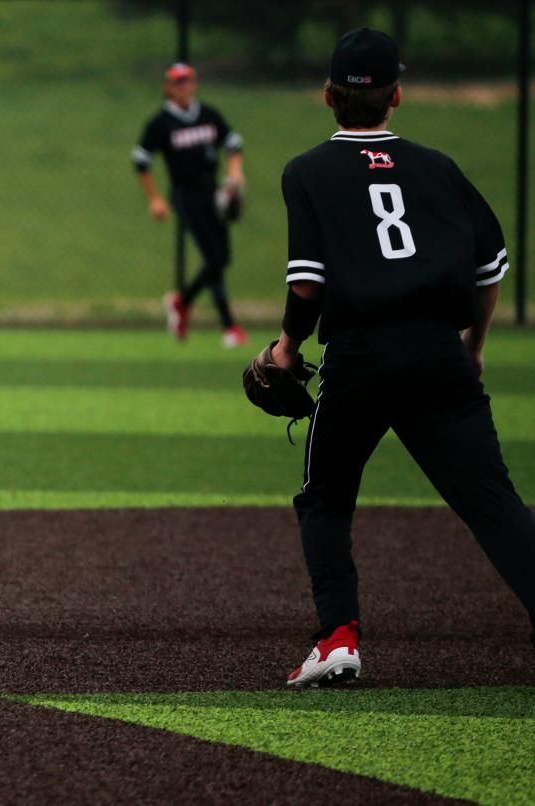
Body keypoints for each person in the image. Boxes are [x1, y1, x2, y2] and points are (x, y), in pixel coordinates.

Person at [269, 28, 535, 687]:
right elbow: (489, 265)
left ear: (327, 97)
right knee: (494, 505)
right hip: (437, 354)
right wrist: (470, 345)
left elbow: (306, 283)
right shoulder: (438, 168)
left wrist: (285, 346)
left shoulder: (305, 171)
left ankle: (335, 639)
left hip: (359, 356)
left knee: (323, 500)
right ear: (398, 96)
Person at [133, 63, 247, 348]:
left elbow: (233, 144)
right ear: (168, 88)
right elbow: (141, 162)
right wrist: (155, 199)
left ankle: (182, 302)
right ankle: (229, 326)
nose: (184, 87)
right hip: (186, 196)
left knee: (220, 258)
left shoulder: (208, 115)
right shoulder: (161, 123)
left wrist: (235, 172)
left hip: (213, 193)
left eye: (188, 81)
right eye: (178, 82)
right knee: (215, 258)